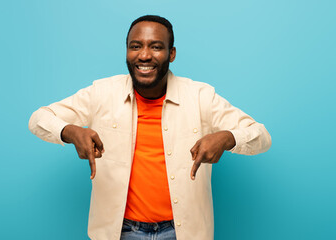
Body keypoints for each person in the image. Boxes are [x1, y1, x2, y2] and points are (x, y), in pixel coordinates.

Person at [28, 15, 272, 240]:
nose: (144, 55)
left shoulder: (201, 96)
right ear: (127, 51)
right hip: (120, 231)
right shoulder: (101, 93)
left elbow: (261, 136)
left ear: (171, 53)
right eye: (136, 46)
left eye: (156, 46)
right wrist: (70, 132)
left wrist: (228, 137)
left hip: (183, 231)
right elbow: (38, 119)